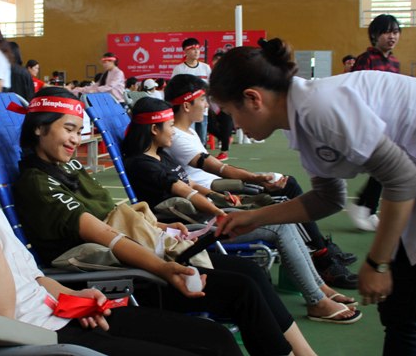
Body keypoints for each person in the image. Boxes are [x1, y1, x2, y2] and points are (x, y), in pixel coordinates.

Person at [0, 101, 242, 356]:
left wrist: (75, 299)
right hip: (37, 342)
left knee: (214, 339)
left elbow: (35, 279)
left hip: (63, 319)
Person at [13, 88, 317, 356]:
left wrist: (161, 228)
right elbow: (106, 234)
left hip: (138, 254)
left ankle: (303, 352)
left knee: (249, 273)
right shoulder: (37, 183)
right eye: (69, 129)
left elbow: (112, 215)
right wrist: (163, 268)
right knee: (241, 291)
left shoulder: (69, 166)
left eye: (79, 131)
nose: (75, 140)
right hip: (118, 275)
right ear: (39, 128)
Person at [209, 38, 416, 356]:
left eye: (232, 113)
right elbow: (328, 198)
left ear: (253, 98)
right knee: (401, 311)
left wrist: (378, 262)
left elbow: (402, 178)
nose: (234, 125)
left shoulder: (319, 108)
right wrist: (254, 218)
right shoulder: (298, 117)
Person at [122, 96, 361, 324]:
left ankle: (319, 287)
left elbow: (191, 183)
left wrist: (218, 196)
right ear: (154, 129)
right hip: (192, 227)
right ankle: (317, 300)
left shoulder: (161, 156)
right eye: (169, 126)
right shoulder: (143, 165)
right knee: (279, 225)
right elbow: (187, 193)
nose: (173, 131)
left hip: (202, 217)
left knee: (281, 216)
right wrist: (222, 214)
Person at [163, 73, 359, 287]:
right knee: (288, 190)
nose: (206, 105)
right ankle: (322, 256)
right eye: (202, 100)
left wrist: (256, 179)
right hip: (216, 191)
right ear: (186, 105)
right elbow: (219, 168)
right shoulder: (177, 137)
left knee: (288, 184)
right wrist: (256, 179)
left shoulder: (188, 132)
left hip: (219, 187)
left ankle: (321, 249)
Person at [347, 14, 402, 232]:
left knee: (385, 167)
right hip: (368, 121)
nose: (392, 36)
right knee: (385, 166)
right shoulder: (366, 59)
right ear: (374, 35)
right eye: (386, 32)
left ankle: (365, 207)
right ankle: (365, 206)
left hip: (388, 122)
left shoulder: (395, 62)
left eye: (395, 32)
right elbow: (355, 90)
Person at [171, 38, 211, 145]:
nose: (196, 51)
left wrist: (208, 102)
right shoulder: (179, 69)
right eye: (193, 49)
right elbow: (174, 88)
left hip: (202, 110)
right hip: (186, 111)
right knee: (189, 138)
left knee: (202, 139)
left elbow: (210, 87)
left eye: (198, 49)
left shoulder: (206, 68)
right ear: (185, 51)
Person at [208, 52, 234, 160]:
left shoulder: (229, 74)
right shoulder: (209, 73)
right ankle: (225, 139)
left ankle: (224, 151)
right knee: (209, 126)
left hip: (225, 104)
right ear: (213, 61)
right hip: (211, 105)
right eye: (217, 60)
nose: (218, 63)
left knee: (226, 126)